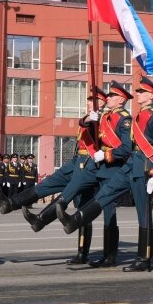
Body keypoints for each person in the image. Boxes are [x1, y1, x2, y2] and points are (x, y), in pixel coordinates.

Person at [58, 76, 153, 272]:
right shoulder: (137, 116)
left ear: (151, 96)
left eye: (141, 92)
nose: (138, 94)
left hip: (144, 168)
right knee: (104, 194)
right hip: (131, 165)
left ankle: (144, 258)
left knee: (143, 214)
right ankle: (76, 220)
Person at [0, 88, 108, 266]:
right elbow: (83, 124)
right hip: (77, 161)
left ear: (101, 103)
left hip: (90, 164)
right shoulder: (90, 118)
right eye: (88, 100)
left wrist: (92, 121)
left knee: (80, 207)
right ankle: (10, 203)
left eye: (92, 100)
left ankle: (49, 226)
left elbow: (100, 137)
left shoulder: (105, 119)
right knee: (48, 184)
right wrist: (88, 120)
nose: (87, 102)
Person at [52, 81, 133, 267]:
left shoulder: (124, 119)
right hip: (100, 169)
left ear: (121, 100)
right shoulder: (106, 118)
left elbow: (126, 148)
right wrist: (90, 119)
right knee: (95, 208)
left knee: (109, 213)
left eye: (111, 96)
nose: (108, 98)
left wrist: (104, 154)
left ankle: (110, 256)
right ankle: (90, 252)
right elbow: (85, 126)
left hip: (114, 170)